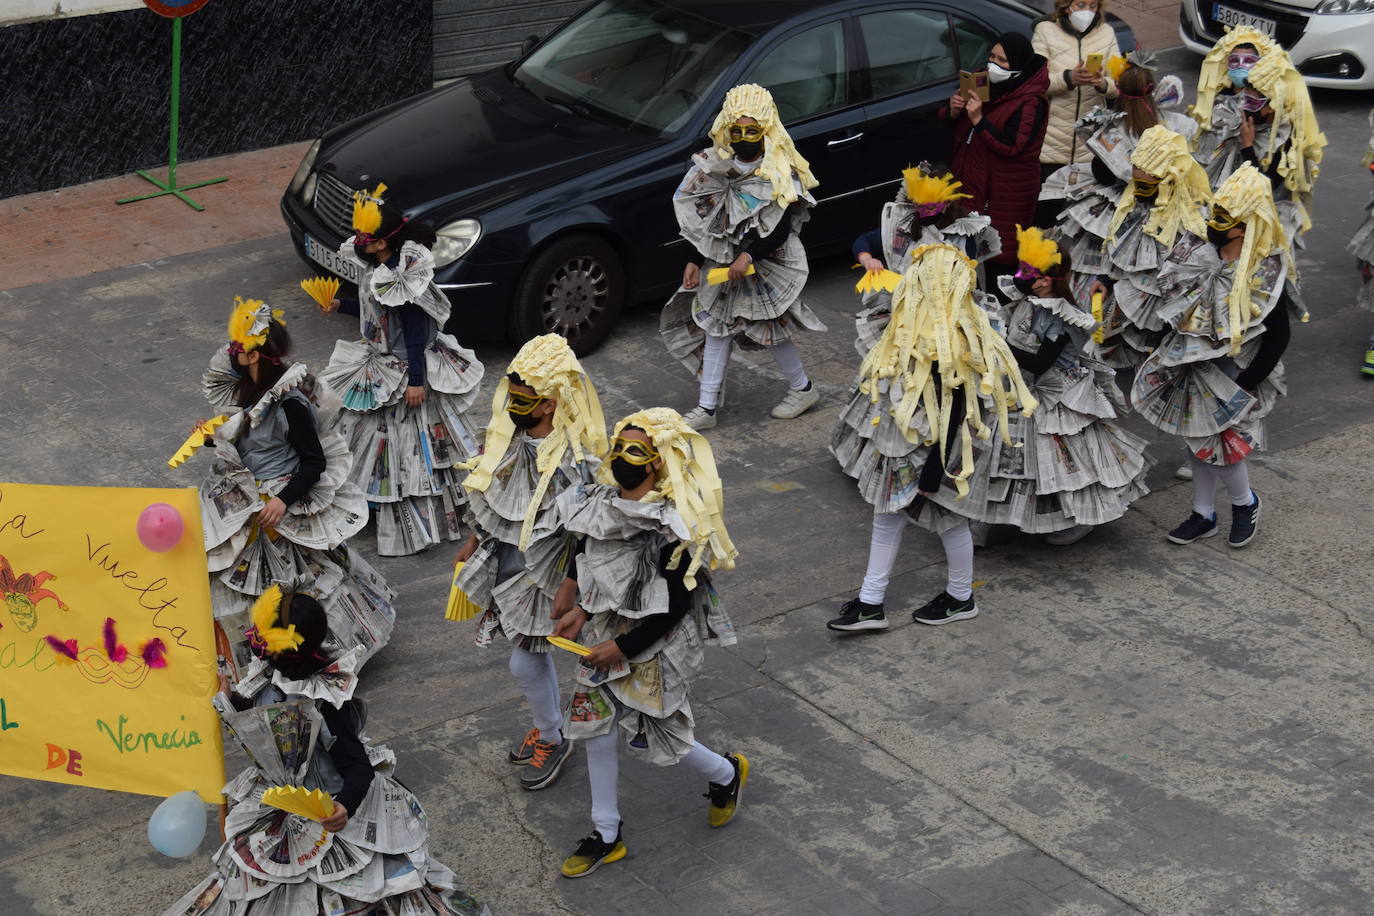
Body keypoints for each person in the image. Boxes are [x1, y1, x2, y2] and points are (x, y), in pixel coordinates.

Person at [164, 588, 489, 916]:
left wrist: (344, 806)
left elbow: (358, 766)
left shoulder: (328, 704)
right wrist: (225, 699)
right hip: (281, 803)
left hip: (330, 807)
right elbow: (249, 712)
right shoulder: (265, 679)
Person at [550, 408, 745, 878]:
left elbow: (675, 605)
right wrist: (578, 606)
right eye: (618, 448)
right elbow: (588, 548)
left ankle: (726, 774)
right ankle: (606, 833)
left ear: (657, 462)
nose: (621, 458)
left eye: (634, 451)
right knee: (594, 725)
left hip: (655, 641)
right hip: (604, 631)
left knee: (660, 732)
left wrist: (623, 648)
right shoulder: (598, 500)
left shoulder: (672, 527)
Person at [827, 245, 1038, 632]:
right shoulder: (927, 323)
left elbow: (956, 407)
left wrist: (932, 474)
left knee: (949, 522)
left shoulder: (954, 340)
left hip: (936, 454)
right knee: (888, 517)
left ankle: (959, 597)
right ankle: (872, 603)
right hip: (911, 447)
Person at [193, 297, 395, 680]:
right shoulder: (250, 390)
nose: (230, 353)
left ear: (253, 356)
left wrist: (284, 501)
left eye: (237, 348)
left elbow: (314, 462)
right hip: (249, 499)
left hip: (275, 509)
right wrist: (209, 439)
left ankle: (308, 654)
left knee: (295, 587)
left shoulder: (290, 405)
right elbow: (249, 438)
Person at [452, 334, 607, 791]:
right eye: (512, 396)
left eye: (523, 399)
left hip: (554, 579)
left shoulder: (575, 462)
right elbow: (494, 492)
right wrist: (473, 538)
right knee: (529, 661)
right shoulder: (507, 437)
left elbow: (587, 531)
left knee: (527, 666)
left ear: (548, 404)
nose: (512, 405)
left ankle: (555, 737)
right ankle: (550, 730)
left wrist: (573, 586)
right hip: (512, 566)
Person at [1131, 163, 1301, 548]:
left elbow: (1278, 337)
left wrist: (1245, 384)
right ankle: (1203, 514)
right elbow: (1175, 303)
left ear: (1245, 225)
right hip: (1193, 367)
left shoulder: (1264, 271)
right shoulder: (1198, 251)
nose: (1213, 222)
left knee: (1225, 444)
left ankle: (1245, 503)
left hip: (1236, 375)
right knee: (1197, 440)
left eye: (1223, 218)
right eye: (1214, 213)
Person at [322, 183, 485, 557]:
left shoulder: (401, 277)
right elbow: (372, 311)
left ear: (382, 242)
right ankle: (374, 499)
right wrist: (340, 305)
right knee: (368, 436)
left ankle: (411, 512)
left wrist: (416, 381)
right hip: (377, 362)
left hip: (403, 371)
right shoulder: (377, 266)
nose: (359, 241)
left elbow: (413, 332)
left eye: (366, 236)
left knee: (407, 442)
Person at [661, 83, 825, 430]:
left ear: (766, 130)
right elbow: (707, 220)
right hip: (723, 262)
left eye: (752, 130)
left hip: (767, 264)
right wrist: (693, 257)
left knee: (771, 329)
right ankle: (707, 407)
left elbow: (780, 229)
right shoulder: (715, 167)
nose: (744, 137)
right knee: (717, 327)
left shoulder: (779, 172)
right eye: (737, 130)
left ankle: (803, 387)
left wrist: (748, 258)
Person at [984, 226, 1154, 545]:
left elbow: (1040, 363)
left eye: (1027, 271)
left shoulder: (1062, 317)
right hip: (1023, 385)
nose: (1019, 276)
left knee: (1065, 458)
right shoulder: (1029, 298)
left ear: (1047, 279)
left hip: (1057, 392)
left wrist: (997, 343)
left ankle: (1080, 519)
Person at [1064, 125, 1213, 368]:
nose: (1139, 192)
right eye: (1136, 184)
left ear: (1166, 181)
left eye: (1146, 187)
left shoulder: (1191, 217)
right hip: (1130, 309)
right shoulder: (1132, 201)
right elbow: (1122, 243)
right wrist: (1106, 279)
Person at [1191, 28, 1326, 240]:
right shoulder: (1235, 107)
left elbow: (1262, 189)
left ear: (1274, 104)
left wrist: (1247, 147)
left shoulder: (1285, 144)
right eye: (1247, 91)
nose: (1246, 98)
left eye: (1255, 94)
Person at [941, 34, 1050, 294]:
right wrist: (954, 110)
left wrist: (978, 118)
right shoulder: (980, 82)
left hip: (1005, 196)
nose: (994, 64)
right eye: (992, 57)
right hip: (971, 187)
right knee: (961, 261)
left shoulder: (1032, 102)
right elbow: (955, 125)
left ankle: (1002, 325)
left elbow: (1012, 146)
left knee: (999, 264)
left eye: (1002, 60)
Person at [852, 163, 1002, 311]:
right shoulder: (907, 222)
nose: (922, 212)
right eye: (919, 204)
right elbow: (865, 241)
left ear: (947, 203)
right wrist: (867, 259)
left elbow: (962, 283)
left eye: (930, 207)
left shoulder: (961, 235)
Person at [1031, 0, 1121, 225]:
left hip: (1089, 149)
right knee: (1045, 219)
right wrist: (1069, 78)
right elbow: (1034, 81)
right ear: (1066, 6)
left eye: (1093, 6)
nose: (1087, 12)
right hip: (1050, 146)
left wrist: (1102, 84)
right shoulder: (1045, 31)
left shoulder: (1107, 33)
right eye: (1081, 4)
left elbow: (1118, 84)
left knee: (1080, 222)